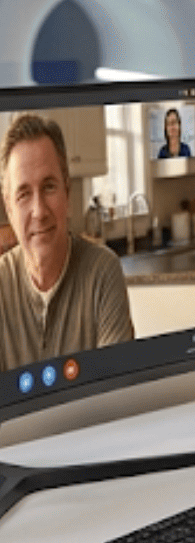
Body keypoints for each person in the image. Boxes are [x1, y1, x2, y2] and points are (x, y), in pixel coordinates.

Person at [0, 115, 135, 370]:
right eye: (24, 194)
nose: (39, 211)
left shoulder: (103, 272)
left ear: (67, 193)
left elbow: (117, 393)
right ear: (8, 207)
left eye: (49, 187)